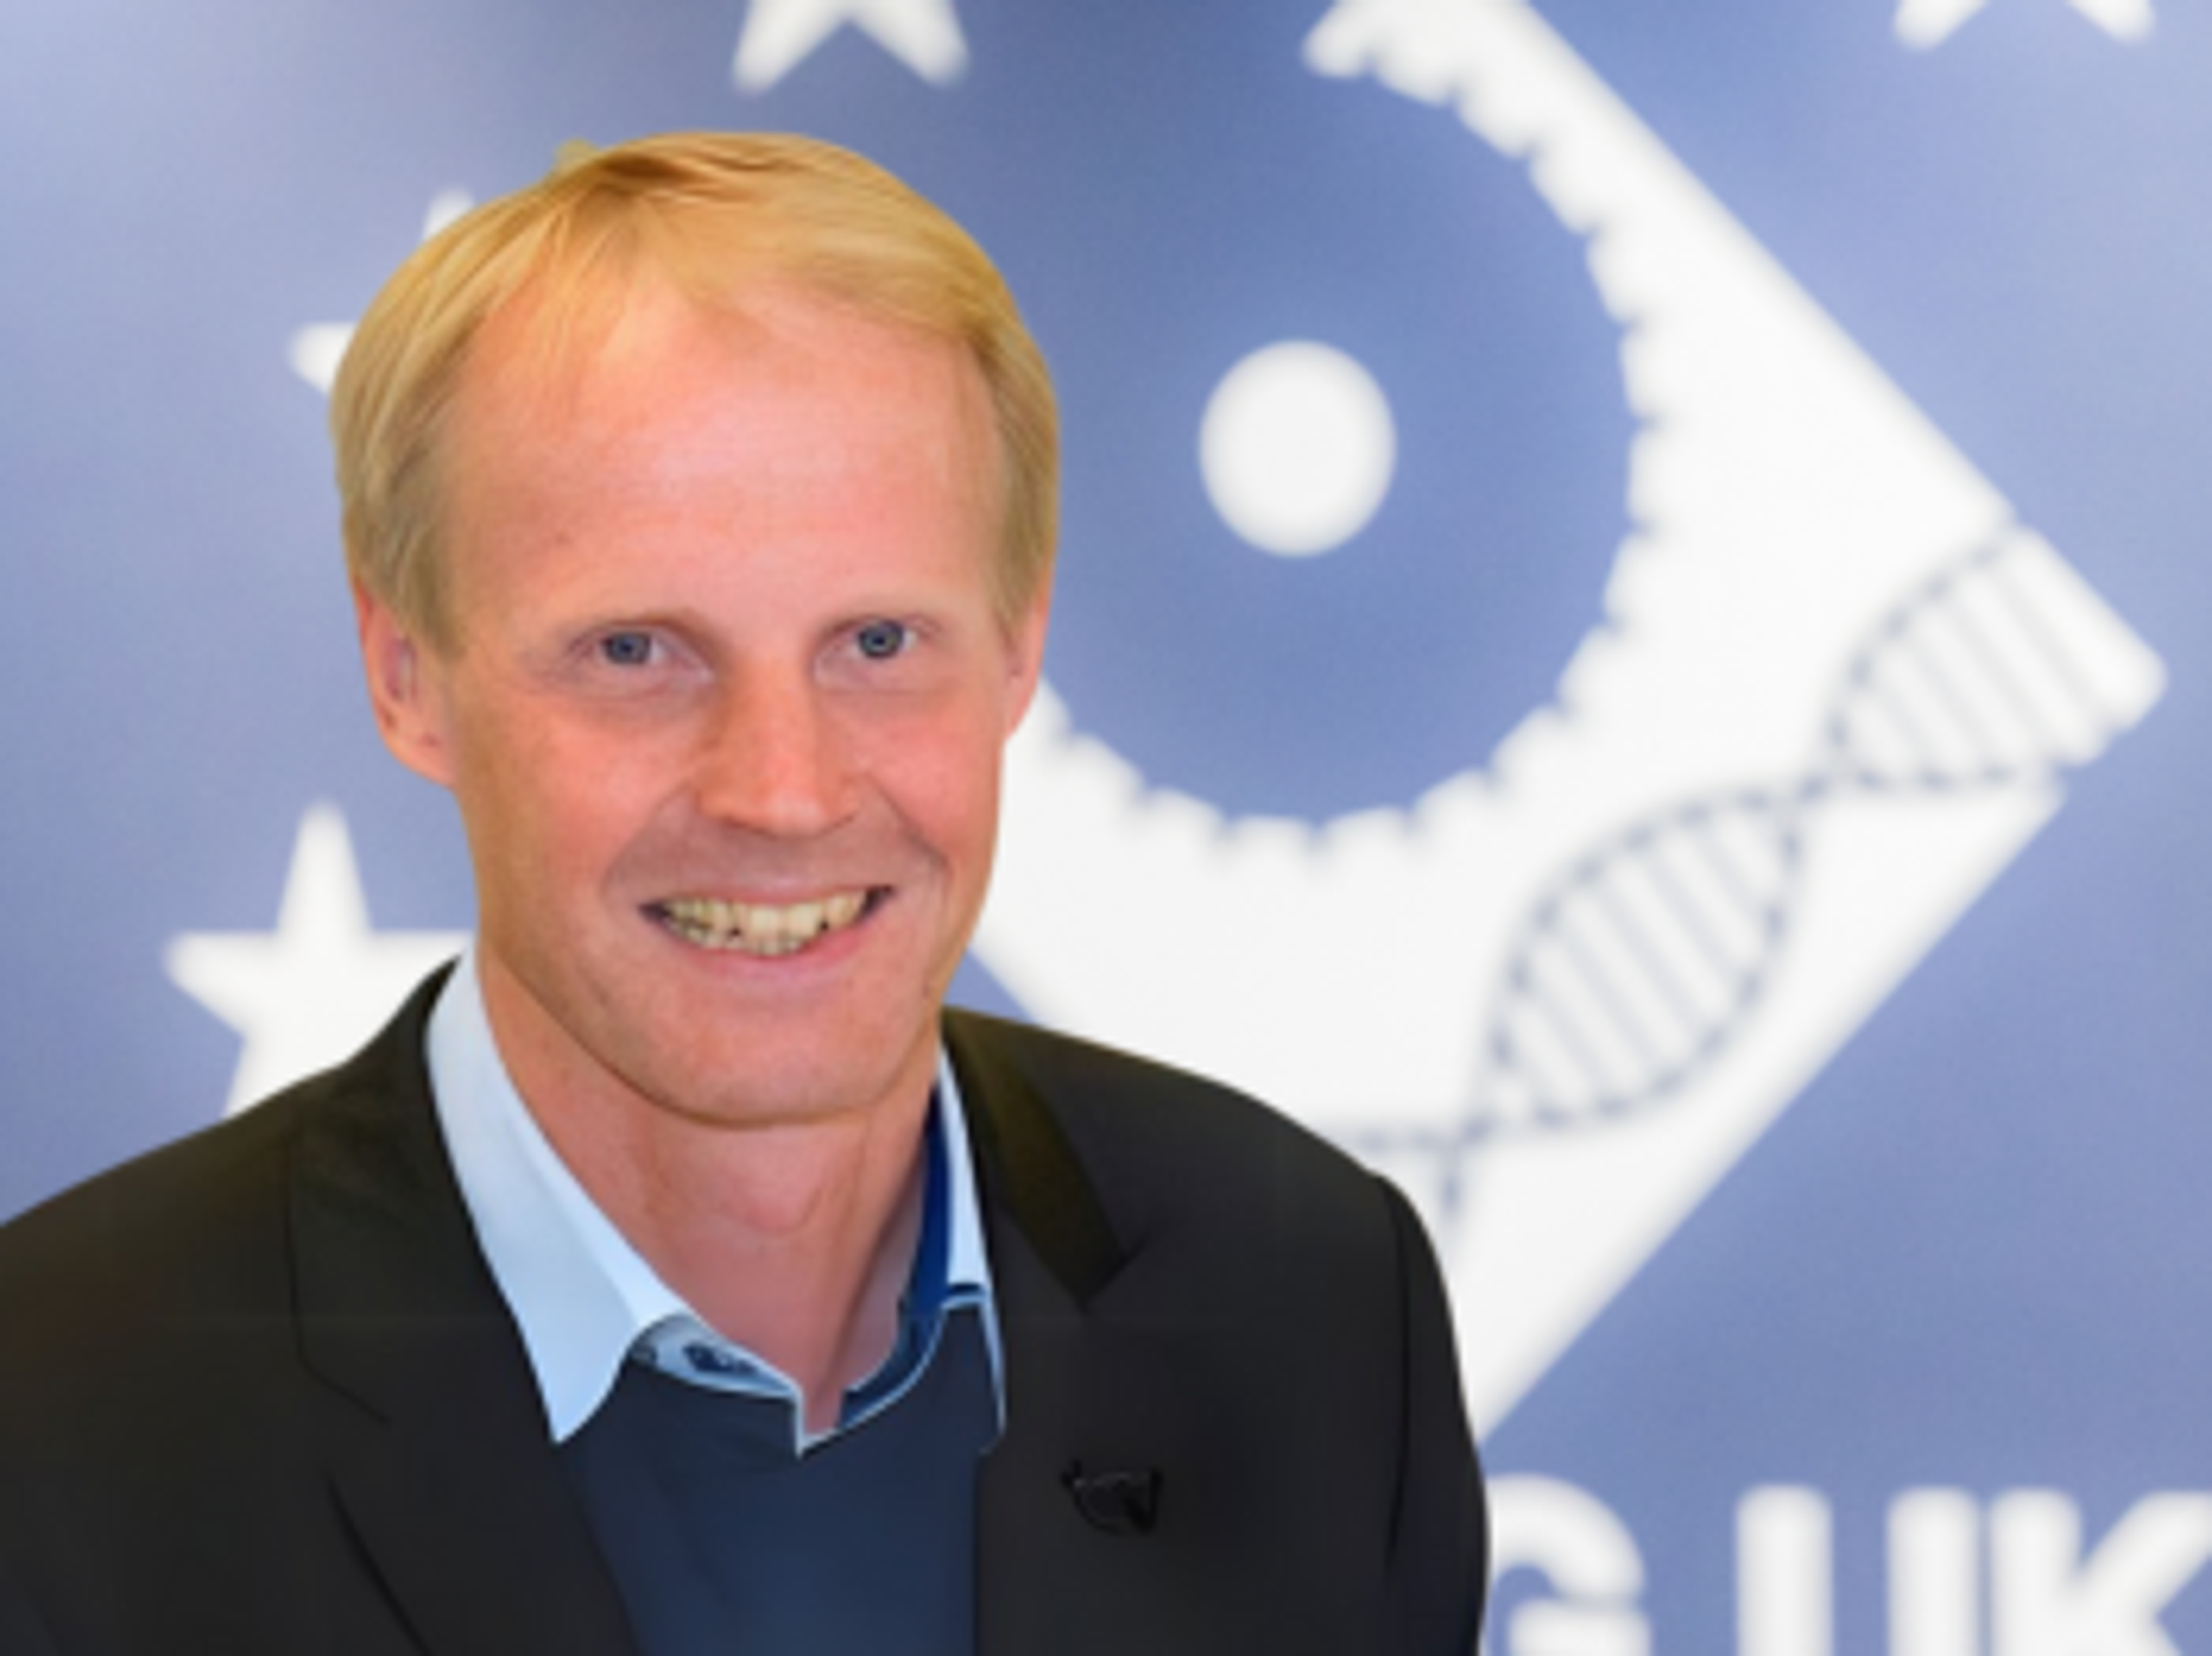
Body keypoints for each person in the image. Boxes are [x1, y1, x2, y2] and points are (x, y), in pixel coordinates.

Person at [0, 132, 1487, 1654]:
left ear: (1019, 648)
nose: (781, 791)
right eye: (635, 652)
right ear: (406, 676)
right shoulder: (53, 1419)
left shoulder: (1313, 1306)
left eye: (879, 644)